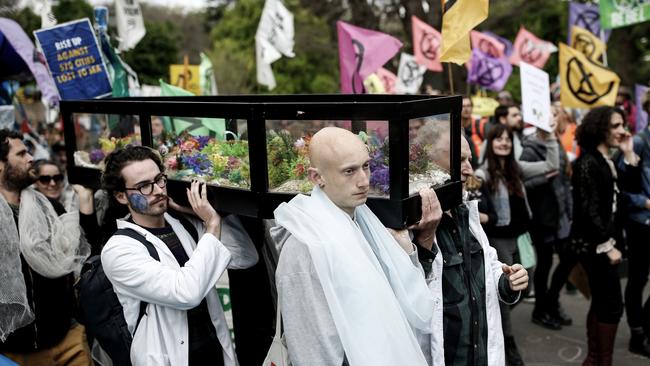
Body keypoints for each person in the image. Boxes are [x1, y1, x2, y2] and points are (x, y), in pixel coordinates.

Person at [272, 127, 434, 366]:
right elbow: (314, 350)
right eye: (349, 171)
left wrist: (407, 253)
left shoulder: (363, 220)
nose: (364, 180)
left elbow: (403, 305)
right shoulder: (304, 247)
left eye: (366, 166)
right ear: (317, 177)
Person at [100, 145, 258, 366]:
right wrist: (212, 224)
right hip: (168, 358)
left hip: (215, 352)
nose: (157, 190)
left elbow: (245, 257)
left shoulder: (184, 225)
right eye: (144, 186)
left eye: (159, 179)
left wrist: (200, 215)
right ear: (121, 196)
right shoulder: (119, 250)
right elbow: (186, 293)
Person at [412, 124, 529, 366]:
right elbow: (408, 298)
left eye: (470, 160)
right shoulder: (412, 222)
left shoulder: (465, 210)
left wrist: (506, 281)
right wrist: (424, 239)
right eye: (460, 160)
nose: (469, 170)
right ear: (428, 163)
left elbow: (484, 269)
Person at [0, 129, 92, 365]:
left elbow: (79, 253)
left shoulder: (49, 208)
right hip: (16, 353)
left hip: (68, 339)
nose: (31, 158)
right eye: (21, 154)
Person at [476, 122, 559, 366]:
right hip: (499, 239)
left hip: (522, 237)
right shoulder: (484, 174)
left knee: (527, 283)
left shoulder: (517, 168)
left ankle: (495, 320)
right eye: (498, 139)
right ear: (490, 144)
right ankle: (508, 342)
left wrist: (550, 136)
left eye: (507, 139)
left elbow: (552, 165)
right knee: (508, 287)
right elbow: (472, 192)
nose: (503, 142)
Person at [572, 106, 633, 366]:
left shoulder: (606, 159)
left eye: (623, 125)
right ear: (600, 128)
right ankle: (600, 360)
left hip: (606, 242)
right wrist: (608, 245)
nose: (622, 130)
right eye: (616, 126)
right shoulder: (588, 162)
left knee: (601, 303)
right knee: (611, 306)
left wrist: (628, 153)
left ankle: (594, 359)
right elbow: (589, 210)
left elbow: (622, 196)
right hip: (595, 245)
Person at [520, 106, 574, 330]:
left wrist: (569, 212)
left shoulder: (555, 142)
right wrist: (544, 179)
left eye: (554, 114)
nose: (552, 118)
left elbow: (563, 179)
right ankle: (540, 310)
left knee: (568, 258)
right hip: (542, 217)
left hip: (560, 214)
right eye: (548, 113)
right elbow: (522, 185)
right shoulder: (530, 148)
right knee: (545, 264)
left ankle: (552, 301)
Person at [616, 101, 650, 357]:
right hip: (641, 223)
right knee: (638, 278)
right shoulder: (638, 142)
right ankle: (637, 333)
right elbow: (622, 190)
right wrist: (646, 201)